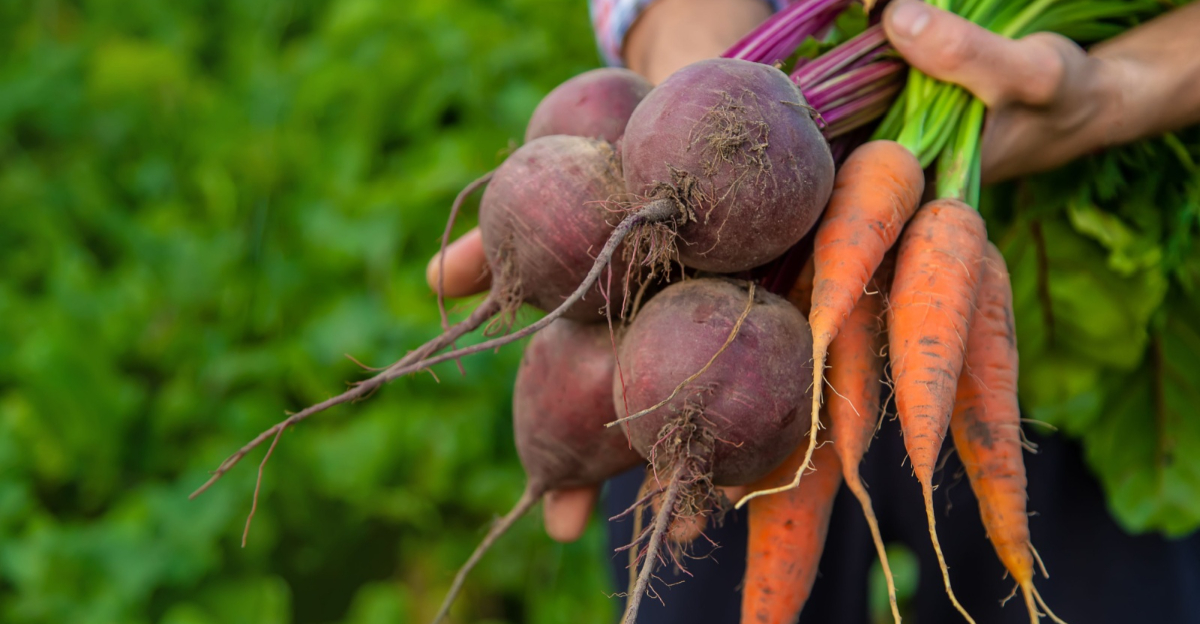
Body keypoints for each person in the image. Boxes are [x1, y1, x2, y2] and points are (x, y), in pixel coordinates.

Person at [428, 1, 1200, 621]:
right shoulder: (707, 322)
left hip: (1054, 303)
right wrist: (683, 37)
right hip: (709, 338)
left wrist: (1124, 90)